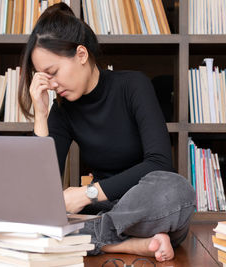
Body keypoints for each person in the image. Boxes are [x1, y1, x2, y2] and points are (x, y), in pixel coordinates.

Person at [18, 3, 196, 262]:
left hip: (148, 209)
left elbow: (159, 163)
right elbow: (39, 192)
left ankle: (98, 239)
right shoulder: (63, 110)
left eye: (53, 73)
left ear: (81, 54)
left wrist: (86, 193)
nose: (52, 85)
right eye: (44, 78)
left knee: (176, 191)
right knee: (34, 211)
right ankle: (130, 244)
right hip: (100, 212)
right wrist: (41, 117)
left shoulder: (133, 86)